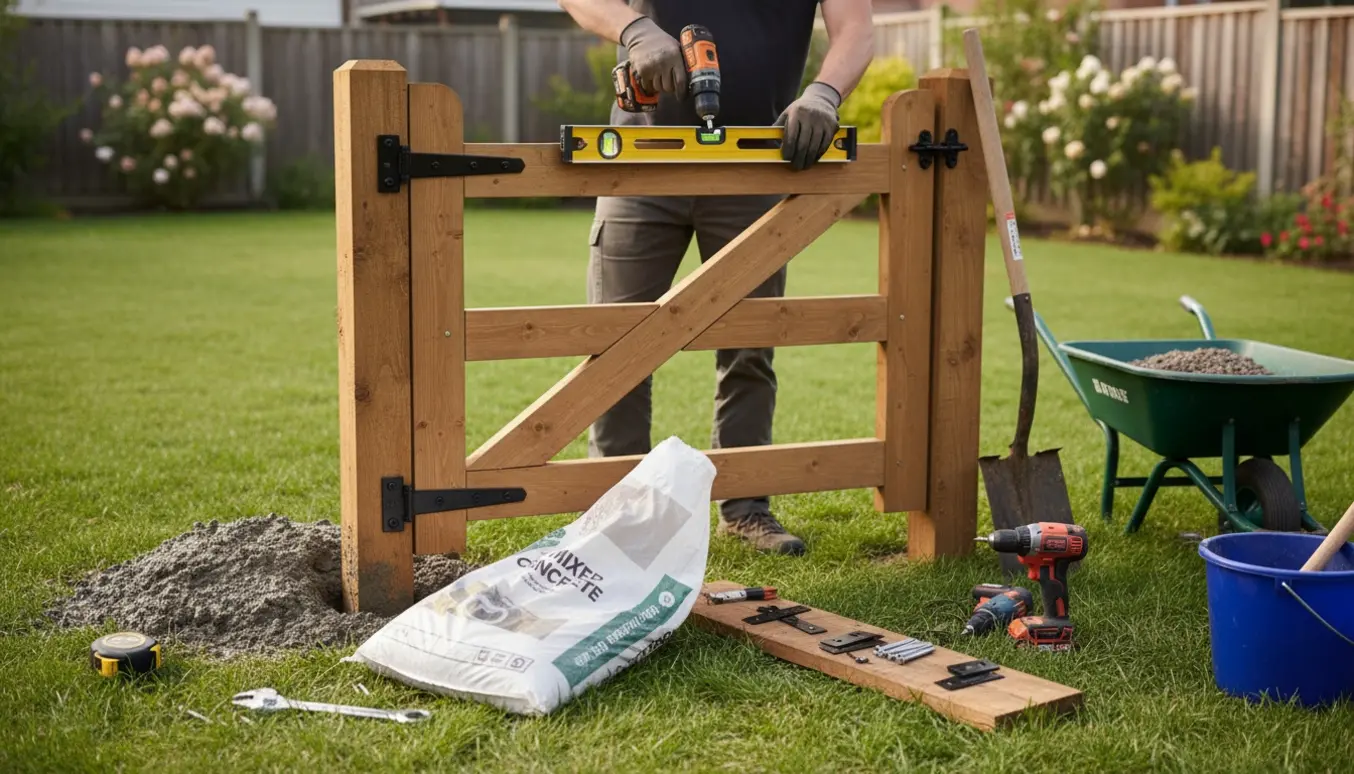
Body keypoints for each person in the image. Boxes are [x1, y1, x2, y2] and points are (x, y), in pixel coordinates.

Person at [557, 0, 875, 555]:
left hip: (756, 162)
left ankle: (746, 508)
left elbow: (856, 29)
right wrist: (635, 30)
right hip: (641, 157)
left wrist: (824, 93)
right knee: (616, 345)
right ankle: (618, 512)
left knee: (749, 346)